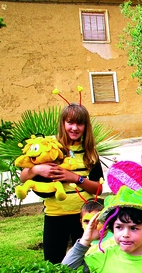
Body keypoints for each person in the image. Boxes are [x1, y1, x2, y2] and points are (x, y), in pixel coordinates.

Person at [19, 103, 103, 264]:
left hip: (84, 216)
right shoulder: (50, 147)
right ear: (63, 123)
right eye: (70, 122)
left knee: (87, 263)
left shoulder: (90, 152)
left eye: (80, 123)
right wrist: (38, 169)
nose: (74, 128)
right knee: (53, 263)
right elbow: (23, 177)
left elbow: (98, 188)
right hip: (55, 214)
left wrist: (75, 178)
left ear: (86, 126)